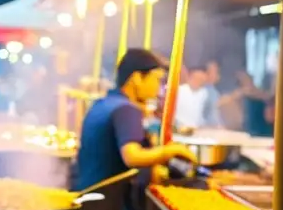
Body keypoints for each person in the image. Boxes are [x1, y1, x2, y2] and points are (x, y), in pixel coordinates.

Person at [75, 49, 198, 192]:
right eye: (156, 79)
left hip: (87, 196)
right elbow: (132, 156)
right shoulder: (126, 108)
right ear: (137, 78)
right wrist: (171, 151)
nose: (158, 87)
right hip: (106, 204)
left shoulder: (104, 102)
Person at [174, 64, 210, 130]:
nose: (198, 81)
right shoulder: (179, 91)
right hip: (178, 128)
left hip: (196, 130)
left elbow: (202, 116)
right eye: (197, 78)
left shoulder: (204, 94)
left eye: (201, 80)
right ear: (190, 77)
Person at [202, 60, 223, 127]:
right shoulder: (202, 92)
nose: (214, 75)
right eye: (210, 72)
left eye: (217, 72)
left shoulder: (214, 92)